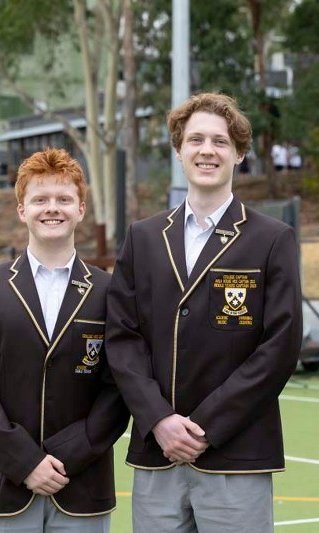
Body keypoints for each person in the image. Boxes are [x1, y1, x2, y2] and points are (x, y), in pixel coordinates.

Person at [106, 92, 303, 533]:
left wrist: (206, 426)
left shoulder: (272, 239)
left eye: (220, 141)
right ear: (179, 151)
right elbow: (122, 338)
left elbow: (280, 347)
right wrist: (159, 420)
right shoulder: (143, 237)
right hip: (157, 452)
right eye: (195, 140)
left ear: (240, 154)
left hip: (237, 454)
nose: (207, 150)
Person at [0, 148, 129, 532]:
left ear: (81, 209)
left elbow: (119, 386)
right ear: (22, 210)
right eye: (40, 199)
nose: (52, 208)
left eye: (64, 199)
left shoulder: (110, 291)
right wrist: (25, 461)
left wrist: (68, 456)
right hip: (4, 485)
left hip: (82, 485)